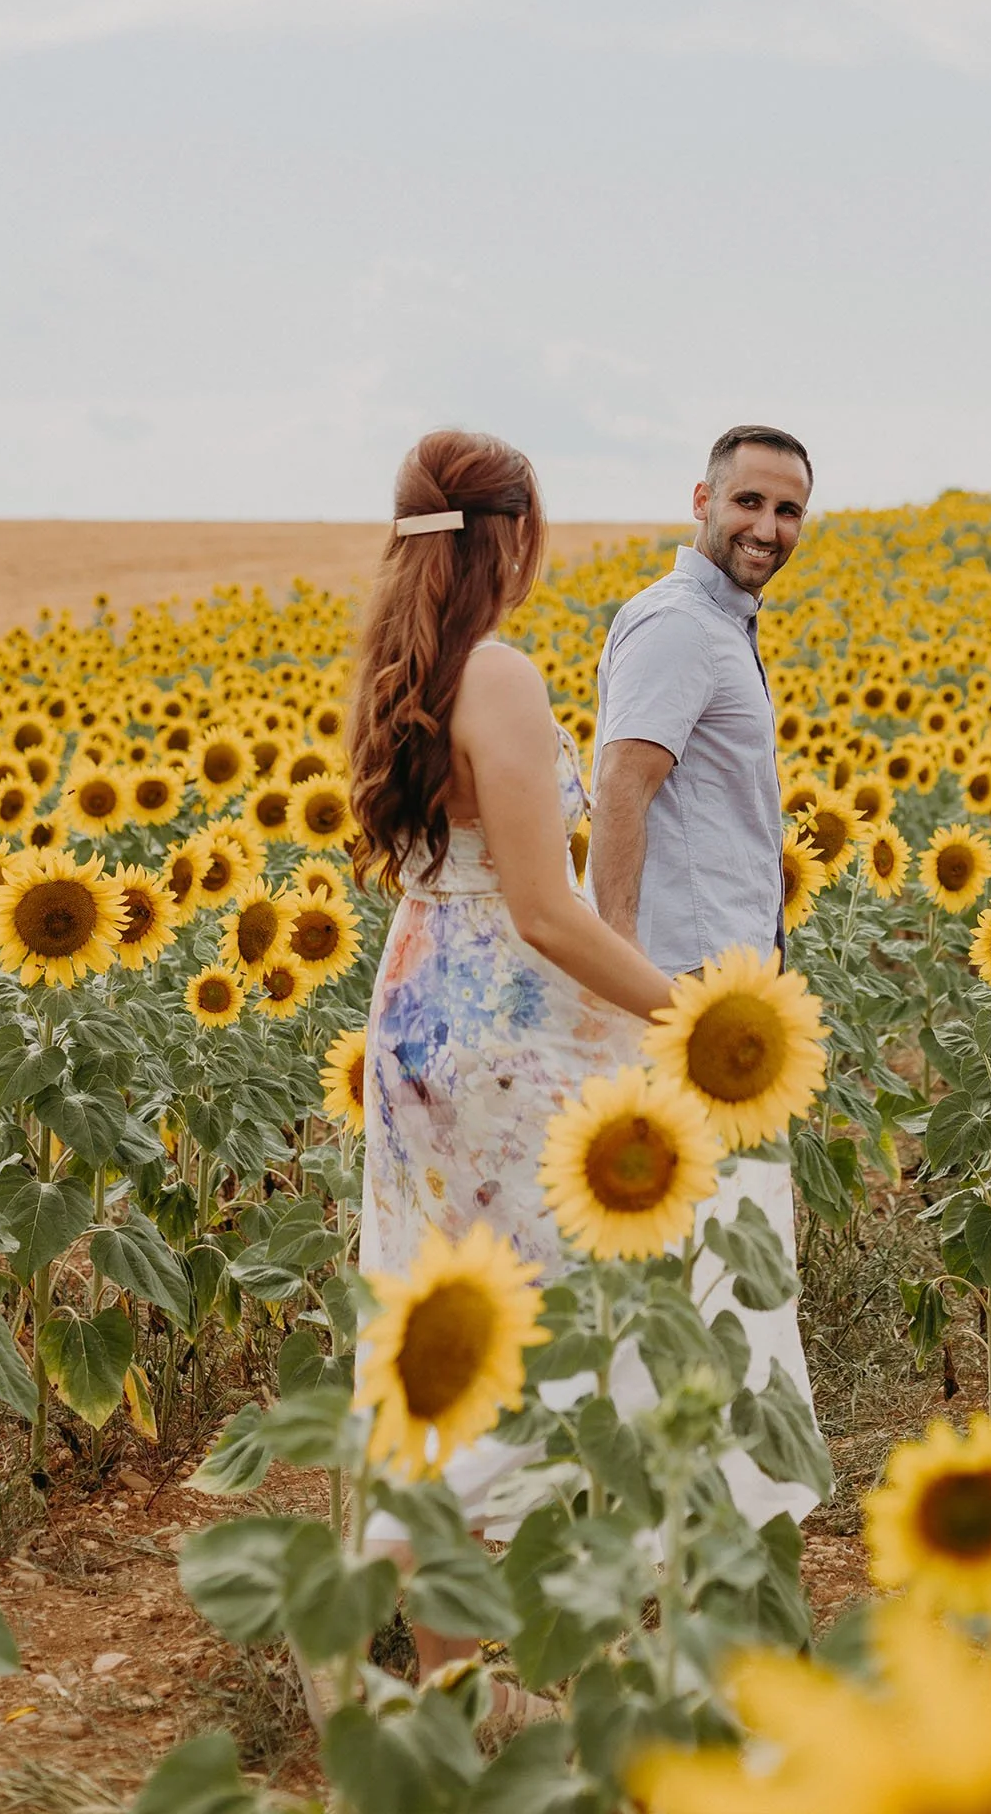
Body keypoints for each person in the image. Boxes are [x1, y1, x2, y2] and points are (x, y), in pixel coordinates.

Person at [346, 427, 677, 1694]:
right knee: (543, 1328)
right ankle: (548, 1668)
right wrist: (685, 1010)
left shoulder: (402, 662)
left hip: (420, 1007)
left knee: (443, 1321)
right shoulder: (502, 675)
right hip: (503, 1025)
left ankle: (450, 1687)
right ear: (517, 534)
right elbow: (545, 909)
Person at [588, 422, 820, 1529]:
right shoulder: (680, 627)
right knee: (700, 1261)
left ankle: (718, 1499)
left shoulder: (718, 628)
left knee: (722, 1253)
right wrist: (623, 970)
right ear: (701, 498)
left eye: (787, 511)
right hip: (676, 991)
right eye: (750, 504)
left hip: (722, 989)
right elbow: (621, 788)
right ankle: (687, 1508)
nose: (767, 529)